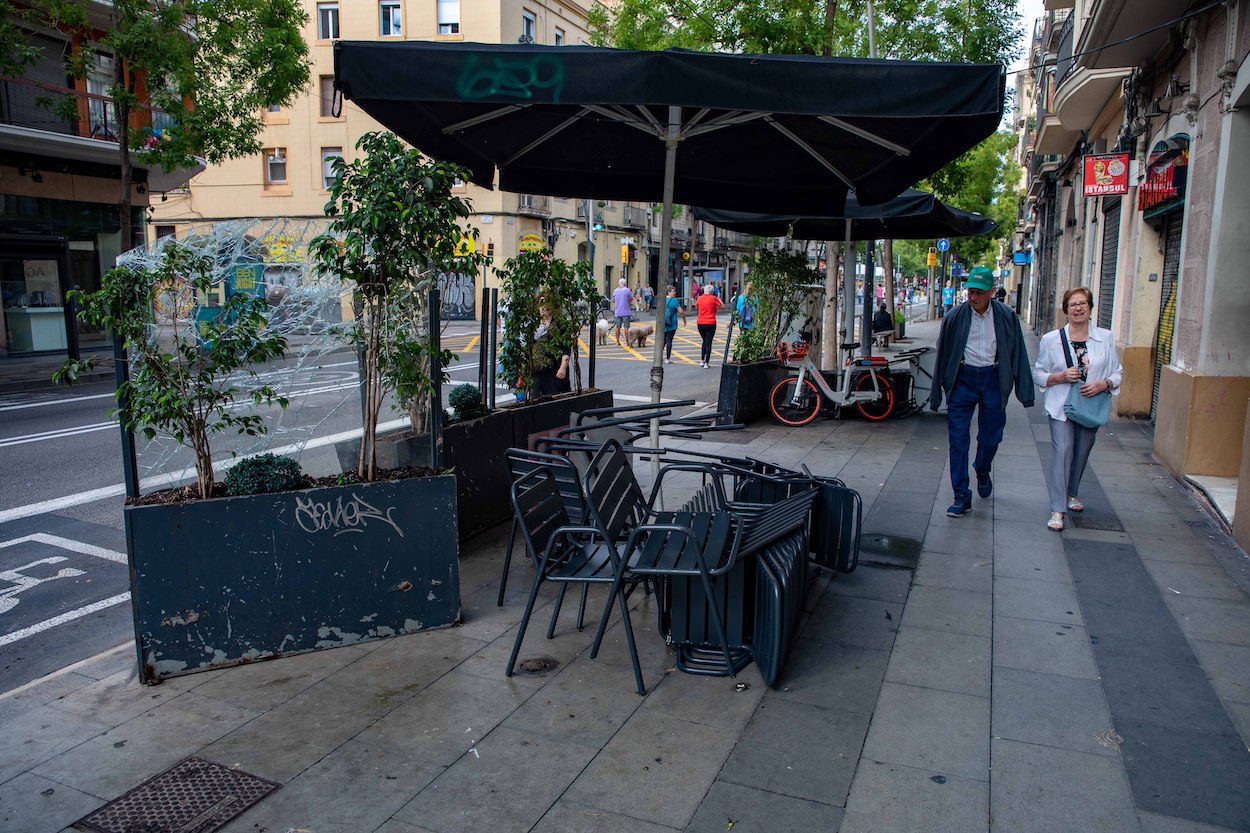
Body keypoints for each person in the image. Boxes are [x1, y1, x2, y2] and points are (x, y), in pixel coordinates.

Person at [929, 266, 1035, 518]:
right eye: (969, 292)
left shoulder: (1006, 316)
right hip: (962, 379)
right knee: (958, 440)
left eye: (978, 292)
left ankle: (983, 467)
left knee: (990, 437)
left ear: (991, 291)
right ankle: (961, 495)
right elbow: (942, 353)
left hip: (993, 379)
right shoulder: (954, 317)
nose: (972, 297)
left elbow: (1017, 352)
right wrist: (937, 392)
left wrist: (1025, 391)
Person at [1032, 286, 1122, 531]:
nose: (1078, 308)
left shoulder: (1106, 337)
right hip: (1061, 406)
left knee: (1082, 451)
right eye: (1073, 304)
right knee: (1063, 452)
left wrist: (1103, 384)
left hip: (1089, 406)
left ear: (1091, 308)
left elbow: (1117, 373)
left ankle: (1072, 491)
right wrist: (1060, 377)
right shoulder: (1051, 340)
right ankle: (1057, 509)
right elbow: (1039, 374)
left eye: (1083, 303)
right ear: (1066, 310)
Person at [531, 294, 572, 397]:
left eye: (546, 306)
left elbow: (566, 349)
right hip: (538, 370)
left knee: (556, 397)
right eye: (541, 306)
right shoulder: (534, 324)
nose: (543, 309)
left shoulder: (561, 324)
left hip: (555, 369)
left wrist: (563, 368)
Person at [694, 282, 723, 368]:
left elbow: (696, 307)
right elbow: (722, 307)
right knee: (709, 342)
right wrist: (719, 299)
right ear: (712, 291)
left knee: (704, 341)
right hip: (711, 322)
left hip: (700, 322)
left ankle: (702, 360)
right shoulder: (713, 298)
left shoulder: (699, 298)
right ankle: (707, 362)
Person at [663, 285, 687, 363]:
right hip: (672, 323)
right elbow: (681, 312)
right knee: (669, 340)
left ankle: (659, 357)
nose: (675, 293)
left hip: (662, 323)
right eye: (673, 291)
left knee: (663, 341)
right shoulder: (674, 301)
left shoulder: (662, 300)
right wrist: (684, 319)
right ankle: (667, 358)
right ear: (669, 292)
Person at [611, 277, 632, 345]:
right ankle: (627, 341)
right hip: (626, 311)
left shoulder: (615, 290)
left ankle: (617, 341)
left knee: (618, 327)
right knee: (626, 327)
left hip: (618, 312)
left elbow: (613, 300)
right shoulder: (627, 290)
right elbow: (630, 299)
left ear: (619, 283)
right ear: (625, 283)